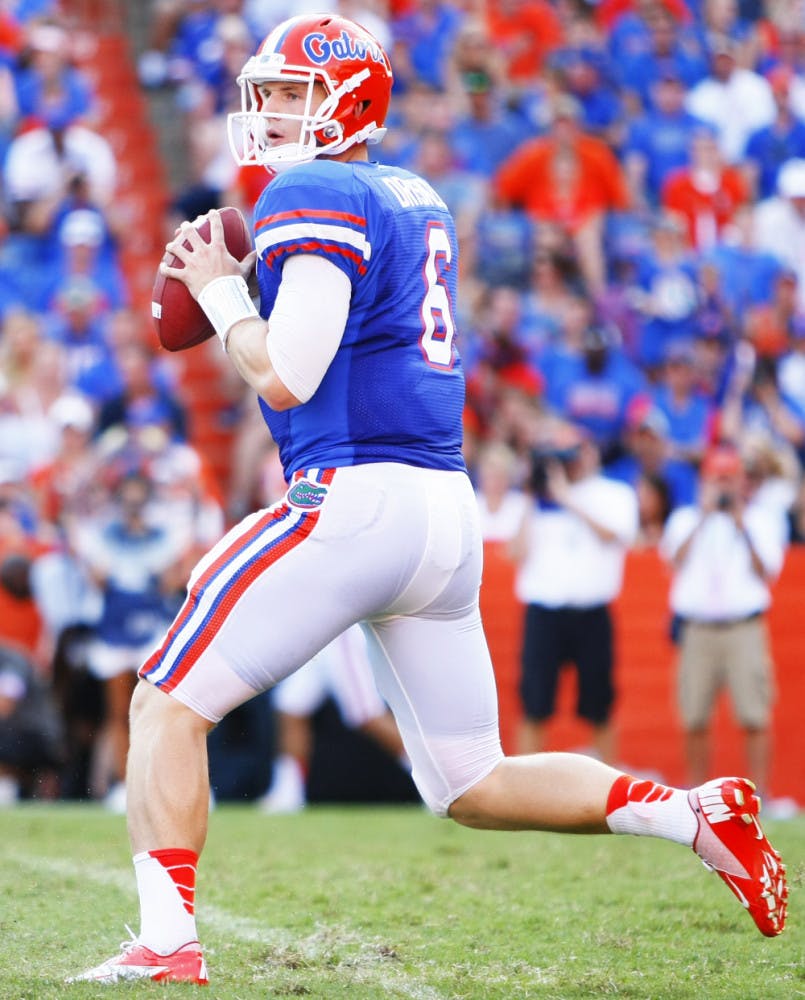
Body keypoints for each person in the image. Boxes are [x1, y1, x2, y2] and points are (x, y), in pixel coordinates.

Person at [68, 13, 787, 987]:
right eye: (268, 92)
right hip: (440, 515)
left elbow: (287, 373)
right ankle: (692, 815)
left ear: (347, 99)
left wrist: (224, 291)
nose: (269, 111)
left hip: (351, 499)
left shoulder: (315, 186)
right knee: (472, 782)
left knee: (162, 701)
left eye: (288, 92)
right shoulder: (412, 192)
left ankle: (166, 942)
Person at [659, 444, 787, 800]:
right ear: (706, 481)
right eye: (719, 478)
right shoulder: (685, 518)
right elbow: (672, 561)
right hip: (697, 630)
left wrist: (739, 521)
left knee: (754, 714)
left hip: (743, 628)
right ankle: (697, 797)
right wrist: (704, 514)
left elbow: (767, 571)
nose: (725, 486)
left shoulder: (759, 520)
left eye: (730, 478)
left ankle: (763, 796)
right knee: (694, 715)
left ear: (741, 481)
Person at [509, 422, 639, 764]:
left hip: (591, 611)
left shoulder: (613, 493)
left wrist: (567, 497)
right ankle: (524, 791)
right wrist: (530, 494)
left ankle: (612, 790)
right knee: (534, 704)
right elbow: (515, 552)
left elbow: (614, 535)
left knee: (600, 705)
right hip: (543, 611)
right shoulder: (536, 499)